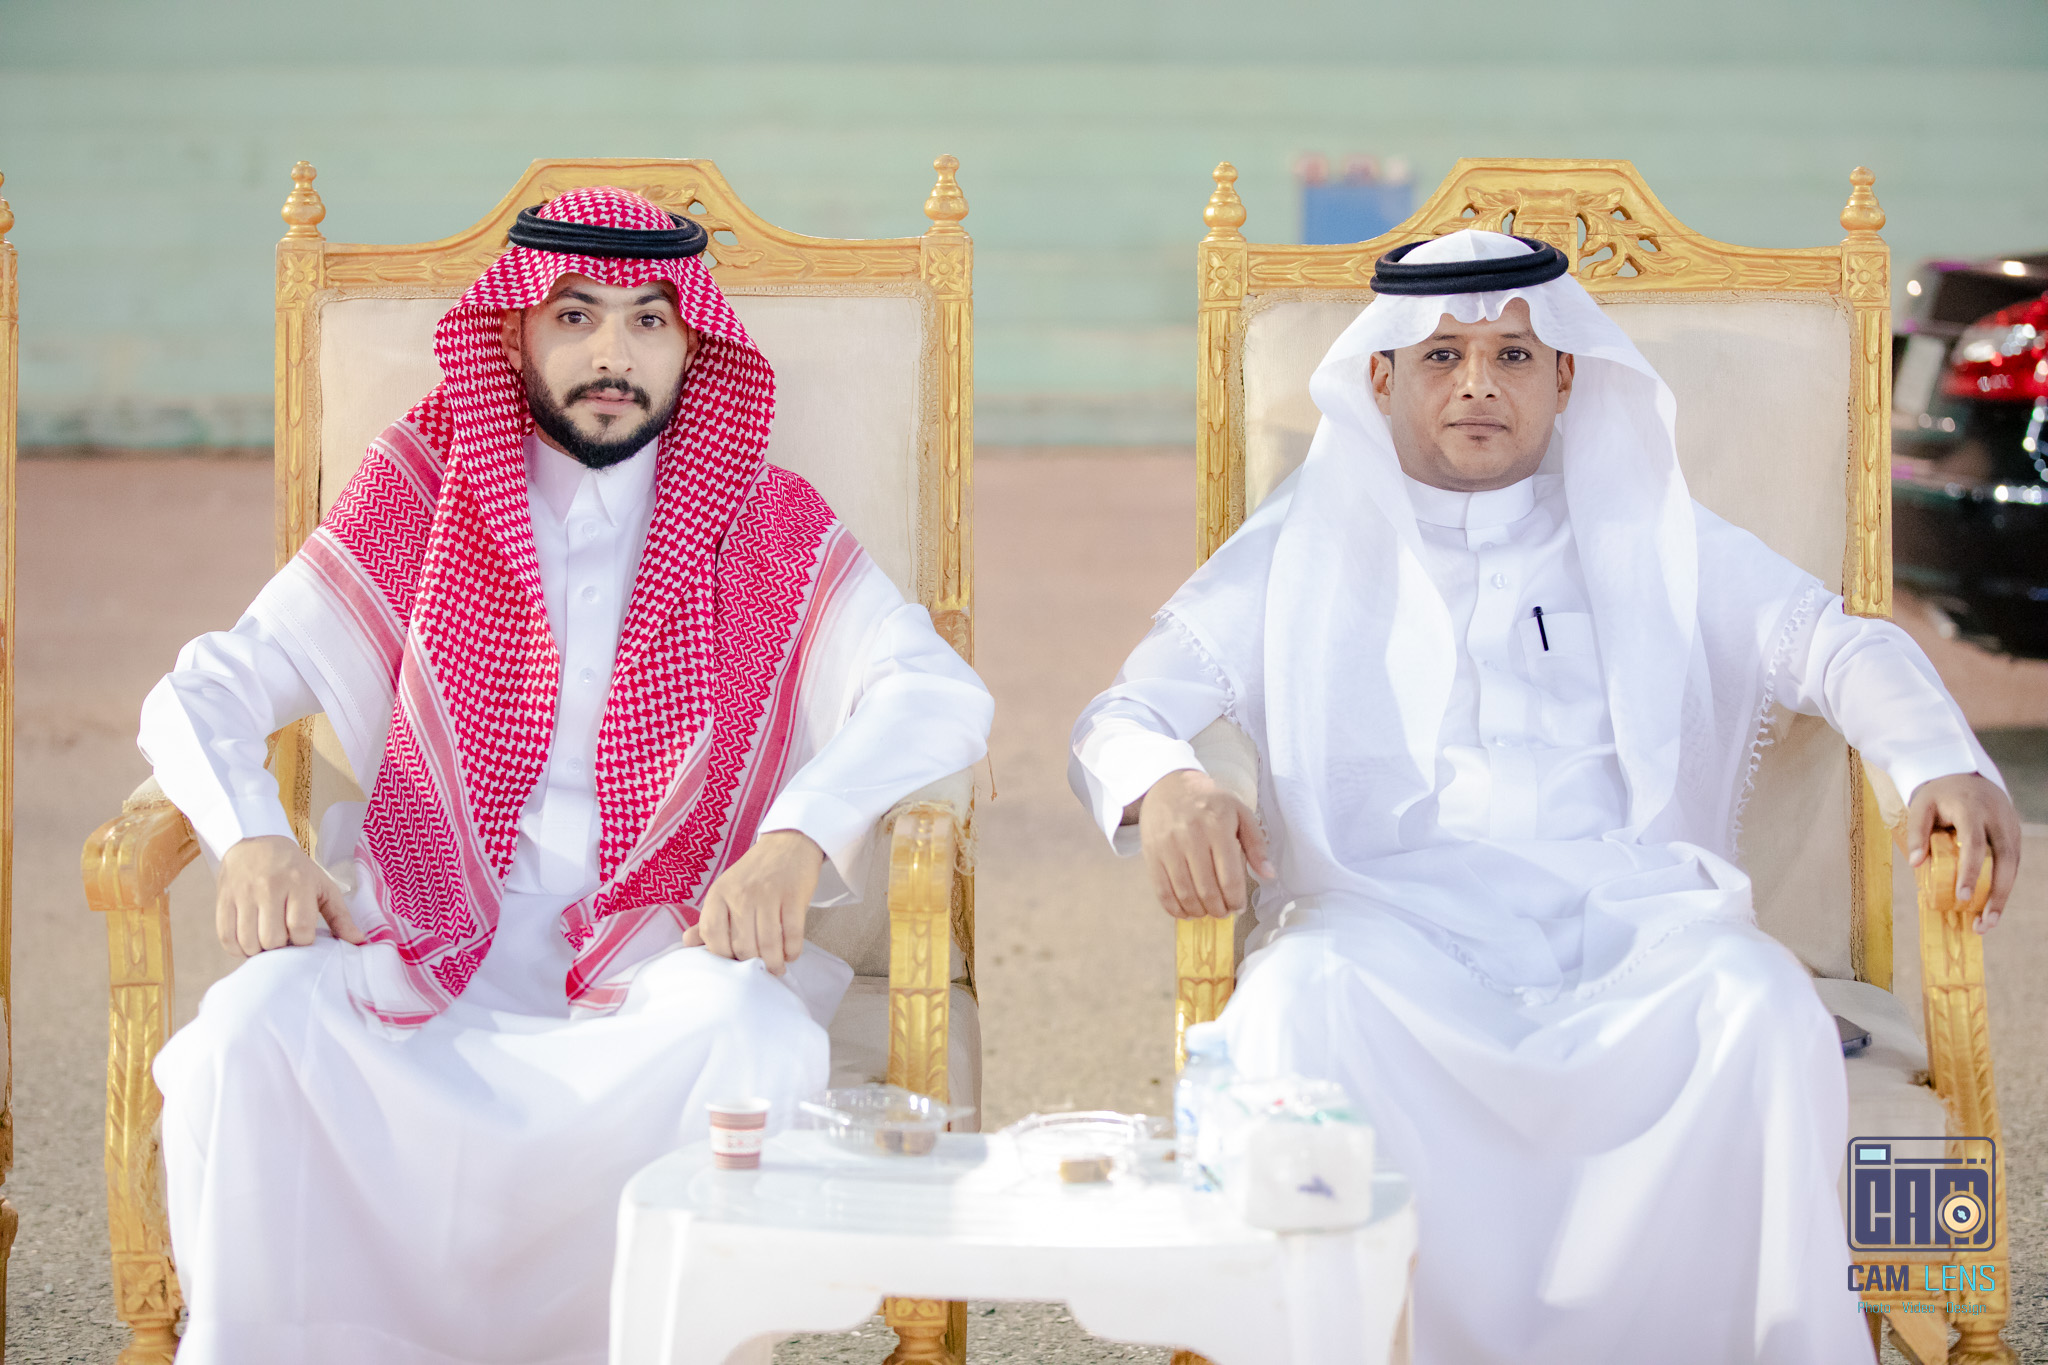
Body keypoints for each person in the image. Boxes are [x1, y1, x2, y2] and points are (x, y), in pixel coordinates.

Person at [1069, 229, 2019, 1365]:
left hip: (1628, 931)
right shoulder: (1299, 546)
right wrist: (1168, 782)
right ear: (1381, 378)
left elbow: (1839, 646)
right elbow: (1122, 713)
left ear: (1566, 376)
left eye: (1512, 356)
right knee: (1291, 1007)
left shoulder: (1646, 527)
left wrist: (1937, 759)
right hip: (1388, 934)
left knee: (1757, 1004)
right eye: (1440, 356)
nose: (1477, 383)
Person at [140, 186, 992, 1365]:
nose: (612, 355)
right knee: (249, 1029)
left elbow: (934, 690)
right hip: (423, 939)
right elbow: (202, 690)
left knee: (748, 1036)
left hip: (655, 959)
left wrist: (797, 835)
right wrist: (249, 836)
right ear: (515, 331)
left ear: (691, 345)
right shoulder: (422, 494)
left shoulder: (764, 520)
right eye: (576, 316)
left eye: (648, 321)